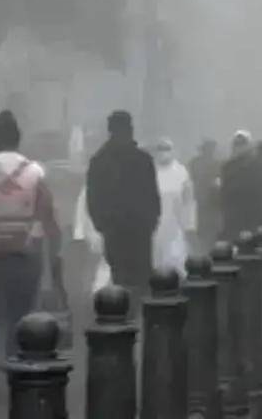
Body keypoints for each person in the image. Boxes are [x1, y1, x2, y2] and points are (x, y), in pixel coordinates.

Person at [0, 111, 63, 400]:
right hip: (26, 254)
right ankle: (16, 366)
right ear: (18, 138)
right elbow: (48, 218)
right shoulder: (34, 173)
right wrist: (55, 255)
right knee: (21, 313)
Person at [85, 111, 160, 295]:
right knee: (141, 281)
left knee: (120, 280)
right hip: (139, 231)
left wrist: (103, 226)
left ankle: (124, 317)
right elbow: (153, 198)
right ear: (130, 130)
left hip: (115, 232)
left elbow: (93, 200)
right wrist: (150, 223)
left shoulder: (98, 161)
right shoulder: (143, 160)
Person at [150, 138, 197, 274]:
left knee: (177, 260)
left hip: (176, 225)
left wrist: (190, 224)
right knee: (156, 262)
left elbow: (189, 200)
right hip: (155, 226)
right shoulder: (150, 171)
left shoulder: (181, 172)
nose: (163, 153)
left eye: (166, 149)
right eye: (160, 149)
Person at [219, 130, 262, 240]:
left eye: (242, 143)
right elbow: (223, 193)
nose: (238, 147)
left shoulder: (259, 167)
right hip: (232, 216)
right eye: (236, 144)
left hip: (252, 214)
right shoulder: (227, 167)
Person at [187, 139, 220, 251]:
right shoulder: (216, 163)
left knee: (203, 223)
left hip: (201, 197)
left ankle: (203, 246)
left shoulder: (194, 162)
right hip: (209, 198)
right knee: (208, 224)